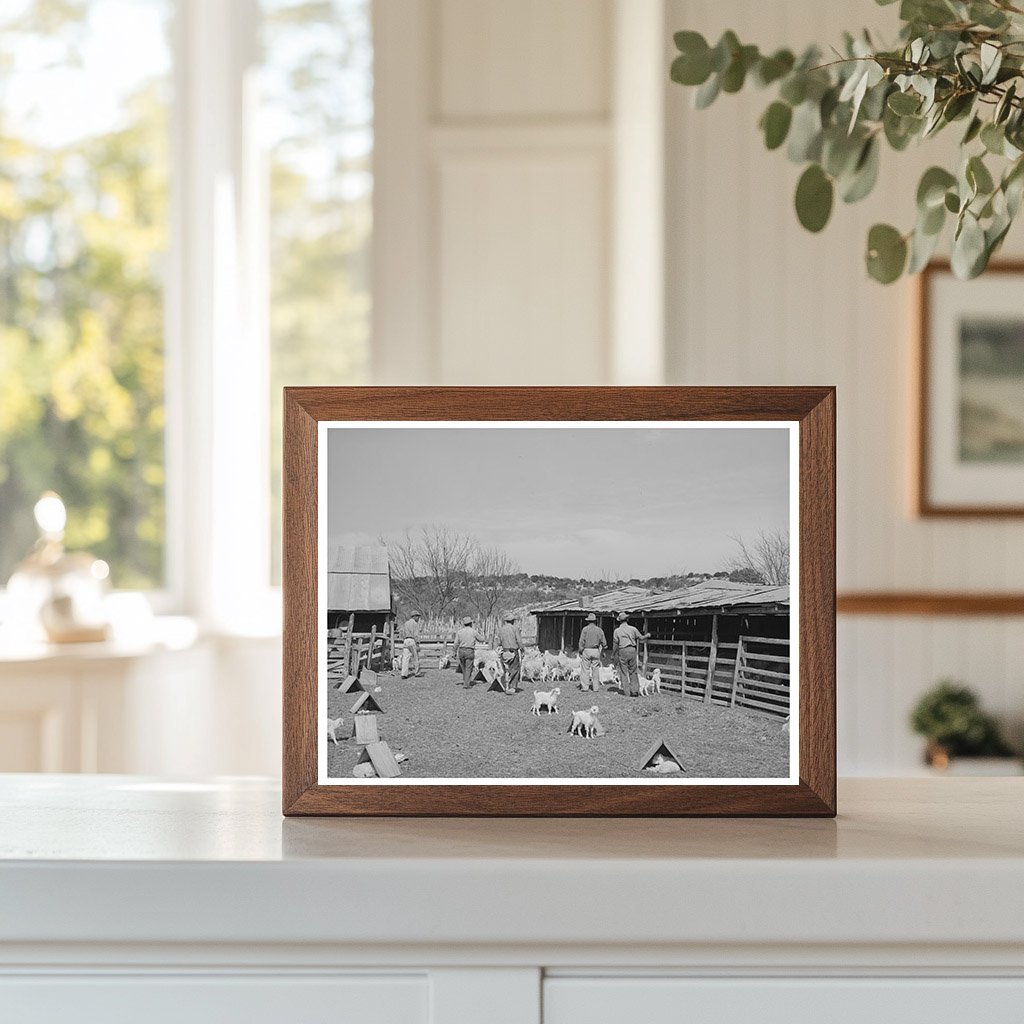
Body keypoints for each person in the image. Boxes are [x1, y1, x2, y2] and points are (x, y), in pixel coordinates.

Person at [612, 611, 649, 698]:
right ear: (627, 620)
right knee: (633, 671)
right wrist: (647, 635)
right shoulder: (633, 629)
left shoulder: (617, 631)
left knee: (624, 672)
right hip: (632, 650)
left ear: (619, 621)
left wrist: (613, 654)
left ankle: (627, 692)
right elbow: (641, 638)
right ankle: (635, 691)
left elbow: (615, 644)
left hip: (622, 650)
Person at [496, 612, 525, 694]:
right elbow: (519, 641)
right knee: (515, 669)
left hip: (504, 651)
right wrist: (522, 649)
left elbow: (498, 641)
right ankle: (512, 687)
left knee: (506, 670)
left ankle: (506, 686)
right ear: (513, 621)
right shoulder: (515, 629)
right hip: (513, 651)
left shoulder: (501, 629)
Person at [577, 612, 606, 692]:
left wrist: (580, 650)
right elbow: (604, 642)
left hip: (587, 650)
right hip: (596, 650)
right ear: (595, 621)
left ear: (588, 621)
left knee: (585, 669)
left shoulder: (585, 629)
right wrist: (603, 650)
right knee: (595, 669)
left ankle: (585, 687)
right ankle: (595, 687)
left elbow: (581, 641)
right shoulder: (599, 630)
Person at [454, 615, 484, 688]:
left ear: (464, 624)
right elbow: (481, 639)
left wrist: (454, 652)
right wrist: (482, 633)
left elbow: (456, 643)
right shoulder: (473, 632)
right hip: (469, 650)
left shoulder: (460, 632)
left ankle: (465, 680)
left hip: (461, 650)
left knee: (463, 667)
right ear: (471, 623)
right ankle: (466, 684)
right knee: (468, 668)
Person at [400, 611, 423, 678]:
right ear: (415, 616)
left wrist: (403, 639)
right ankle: (417, 672)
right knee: (415, 657)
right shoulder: (415, 624)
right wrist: (418, 643)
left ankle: (404, 674)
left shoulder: (406, 623)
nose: (418, 618)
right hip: (412, 640)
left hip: (406, 640)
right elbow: (416, 635)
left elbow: (402, 632)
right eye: (417, 616)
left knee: (405, 658)